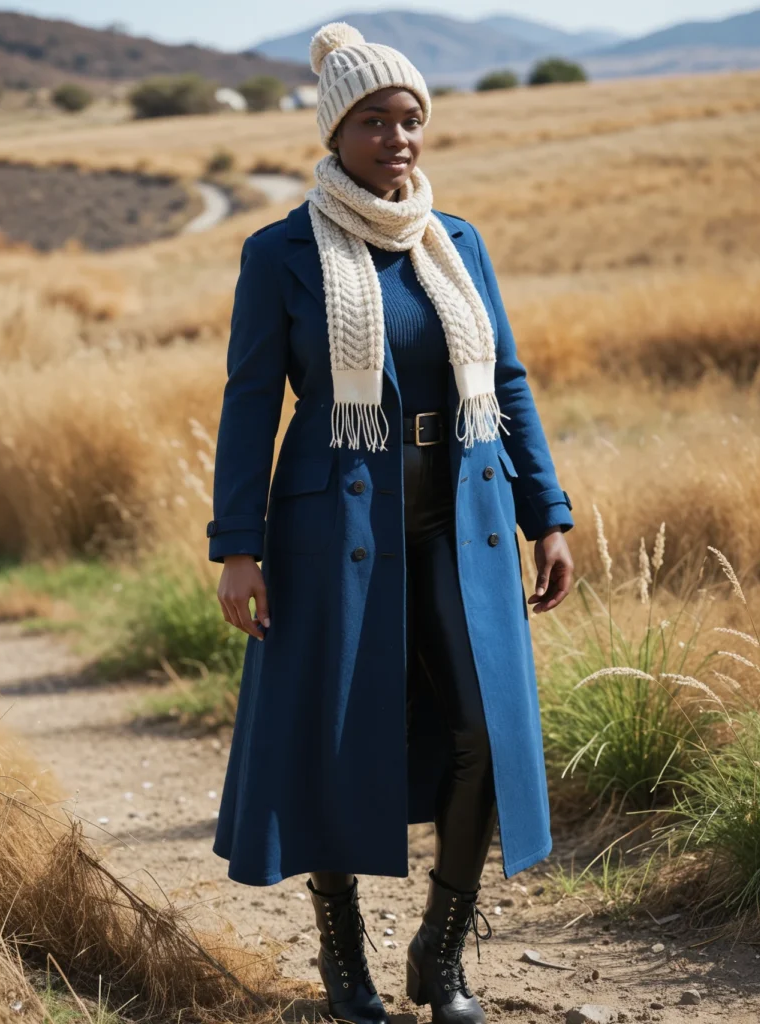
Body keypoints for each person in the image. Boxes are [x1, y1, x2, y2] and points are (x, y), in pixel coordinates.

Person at [206, 20, 575, 1024]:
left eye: (409, 119)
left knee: (478, 733)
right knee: (333, 733)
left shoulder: (455, 244)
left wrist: (548, 511)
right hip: (331, 533)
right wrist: (237, 546)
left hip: (467, 525)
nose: (395, 137)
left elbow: (502, 379)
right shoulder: (280, 252)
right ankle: (342, 962)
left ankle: (437, 955)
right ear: (334, 134)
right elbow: (250, 404)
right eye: (373, 121)